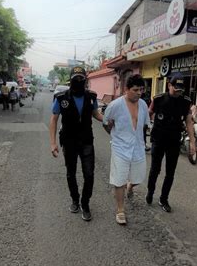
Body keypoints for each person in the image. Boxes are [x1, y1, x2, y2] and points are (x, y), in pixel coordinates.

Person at [49, 66, 104, 222]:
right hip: (69, 140)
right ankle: (75, 199)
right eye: (76, 79)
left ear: (85, 80)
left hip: (87, 140)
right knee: (70, 173)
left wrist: (109, 121)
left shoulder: (91, 97)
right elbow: (53, 120)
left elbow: (96, 114)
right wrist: (53, 143)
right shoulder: (61, 98)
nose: (79, 81)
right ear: (71, 80)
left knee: (89, 174)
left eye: (82, 79)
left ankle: (85, 204)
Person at [103, 74, 150, 225]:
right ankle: (120, 210)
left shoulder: (143, 104)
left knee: (138, 177)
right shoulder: (115, 105)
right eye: (135, 89)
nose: (139, 92)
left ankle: (130, 187)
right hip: (120, 147)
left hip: (137, 147)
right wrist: (114, 135)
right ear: (126, 89)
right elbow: (106, 122)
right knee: (119, 180)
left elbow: (143, 125)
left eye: (141, 89)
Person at [146, 73, 196, 212]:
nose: (178, 92)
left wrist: (192, 142)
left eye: (180, 89)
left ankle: (164, 199)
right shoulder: (158, 99)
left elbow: (189, 122)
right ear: (169, 85)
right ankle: (150, 192)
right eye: (175, 88)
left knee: (170, 172)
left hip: (174, 141)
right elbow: (148, 114)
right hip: (158, 139)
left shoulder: (185, 101)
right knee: (155, 170)